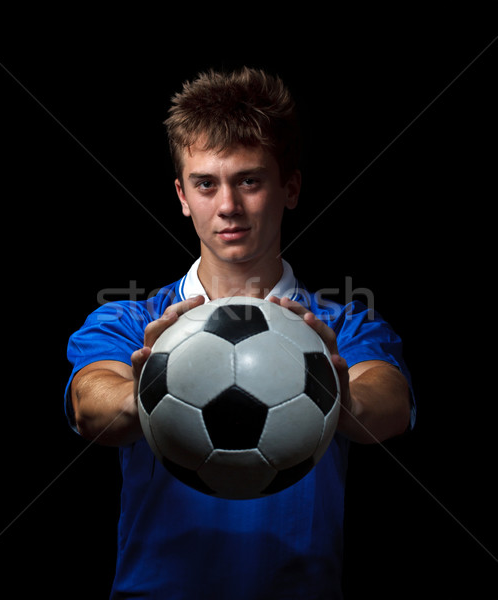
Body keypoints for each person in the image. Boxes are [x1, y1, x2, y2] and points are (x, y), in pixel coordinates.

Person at [65, 67, 415, 599]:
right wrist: (145, 392)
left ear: (289, 187)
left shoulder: (341, 327)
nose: (228, 206)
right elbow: (89, 404)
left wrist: (341, 398)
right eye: (206, 184)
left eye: (248, 180)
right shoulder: (130, 323)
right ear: (182, 195)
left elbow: (387, 399)